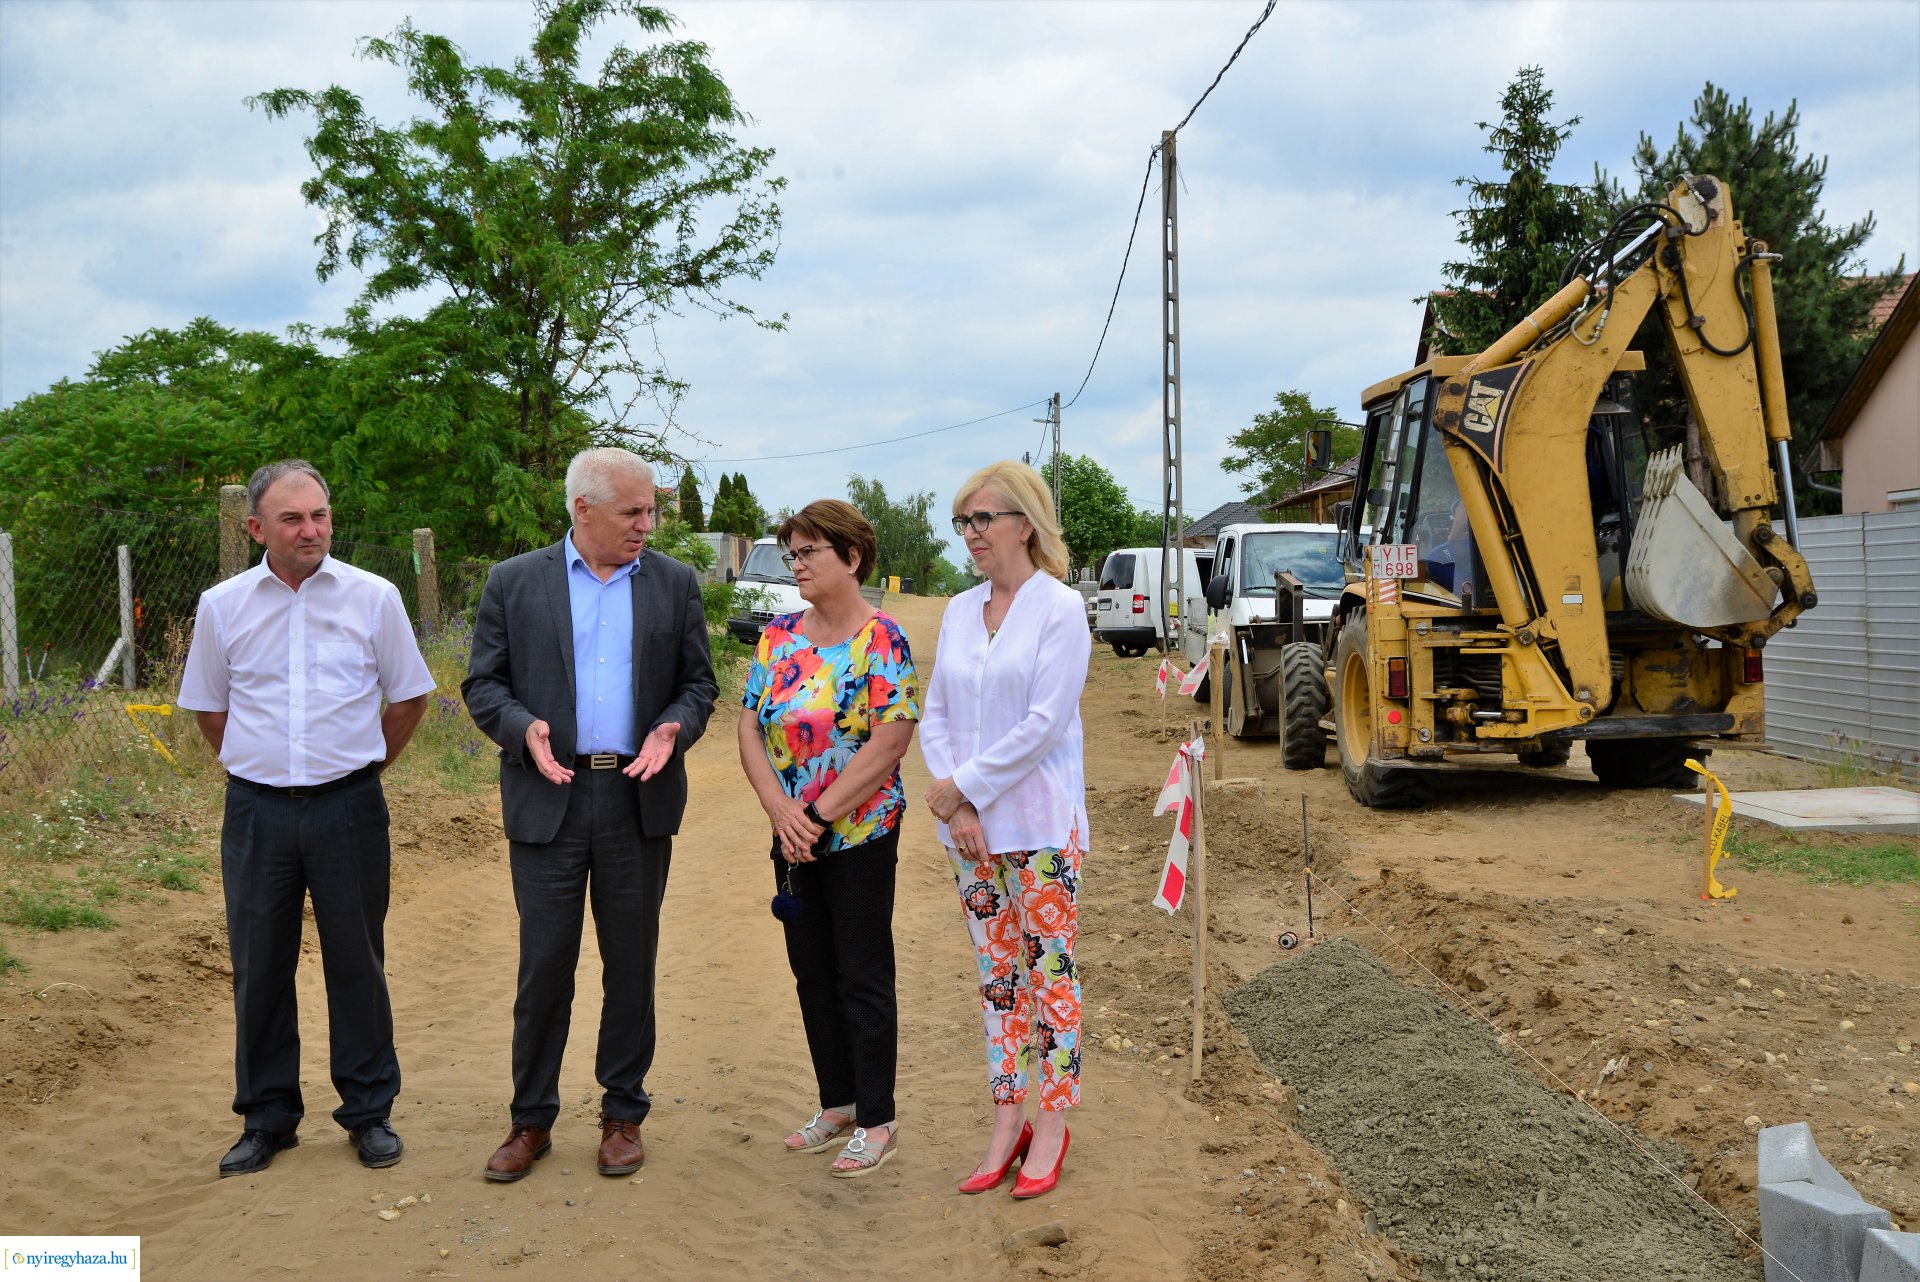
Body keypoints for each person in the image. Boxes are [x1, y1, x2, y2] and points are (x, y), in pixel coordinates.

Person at [462, 447, 717, 1183]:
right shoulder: (515, 582)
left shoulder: (674, 583)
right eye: (633, 511)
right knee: (544, 964)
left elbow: (698, 685)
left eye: (651, 510)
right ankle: (531, 1120)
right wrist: (523, 729)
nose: (647, 524)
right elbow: (484, 685)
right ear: (583, 509)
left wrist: (673, 728)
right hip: (550, 794)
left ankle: (623, 1114)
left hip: (637, 795)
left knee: (631, 962)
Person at [176, 459, 435, 1177]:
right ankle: (267, 1119)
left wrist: (362, 769)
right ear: (256, 528)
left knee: (358, 962)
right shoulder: (223, 605)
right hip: (256, 813)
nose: (310, 530)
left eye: (319, 515)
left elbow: (409, 697)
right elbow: (209, 708)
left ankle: (368, 1112)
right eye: (291, 518)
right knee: (259, 967)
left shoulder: (373, 597)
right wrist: (257, 767)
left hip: (349, 808)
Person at [920, 461, 1090, 1199]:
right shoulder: (960, 611)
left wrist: (966, 787)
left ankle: (1052, 1125)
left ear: (1026, 523)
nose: (971, 533)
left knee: (1050, 977)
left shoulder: (1060, 608)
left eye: (983, 518)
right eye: (964, 521)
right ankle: (1006, 1118)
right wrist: (957, 807)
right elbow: (936, 716)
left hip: (1041, 827)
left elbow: (1044, 723)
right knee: (997, 981)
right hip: (969, 835)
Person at [736, 500, 919, 1178]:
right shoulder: (778, 637)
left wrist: (816, 815)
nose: (797, 564)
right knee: (810, 971)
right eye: (793, 553)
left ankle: (877, 1119)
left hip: (859, 834)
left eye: (809, 551)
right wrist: (779, 809)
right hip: (791, 835)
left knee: (861, 975)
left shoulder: (883, 639)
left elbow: (890, 740)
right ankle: (837, 1103)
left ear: (852, 557)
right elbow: (749, 725)